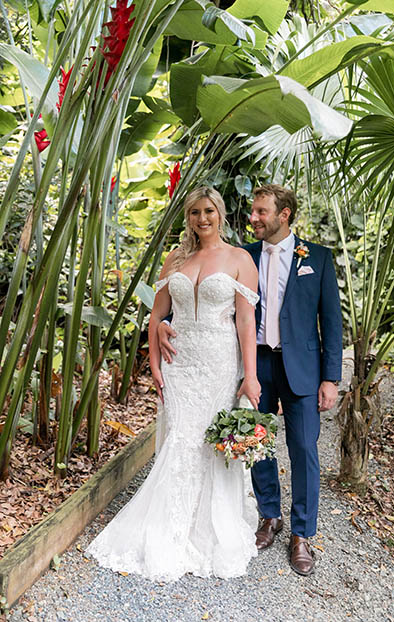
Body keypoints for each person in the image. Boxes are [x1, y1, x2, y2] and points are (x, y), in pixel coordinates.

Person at [159, 184, 343, 577]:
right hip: (253, 364)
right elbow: (211, 304)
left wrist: (331, 378)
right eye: (253, 212)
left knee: (304, 448)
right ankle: (269, 517)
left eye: (261, 212)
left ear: (284, 214)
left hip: (302, 368)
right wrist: (162, 326)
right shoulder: (246, 255)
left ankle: (302, 534)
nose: (253, 218)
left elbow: (331, 322)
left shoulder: (319, 260)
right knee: (254, 444)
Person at [86, 186, 262, 581]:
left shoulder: (239, 259)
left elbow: (246, 321)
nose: (202, 219)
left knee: (206, 440)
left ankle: (206, 526)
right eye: (196, 212)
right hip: (179, 362)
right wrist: (152, 357)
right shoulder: (176, 258)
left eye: (209, 211)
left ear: (220, 213)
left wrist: (251, 376)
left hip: (219, 362)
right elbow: (157, 315)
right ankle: (165, 525)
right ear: (189, 217)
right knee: (180, 435)